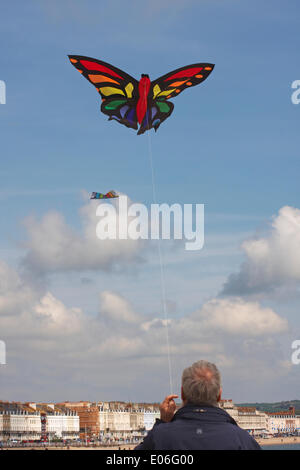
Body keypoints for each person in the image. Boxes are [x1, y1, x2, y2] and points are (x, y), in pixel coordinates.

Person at [135, 360, 261, 450]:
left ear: (182, 394)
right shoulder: (242, 439)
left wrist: (162, 423)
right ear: (219, 395)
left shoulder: (160, 436)